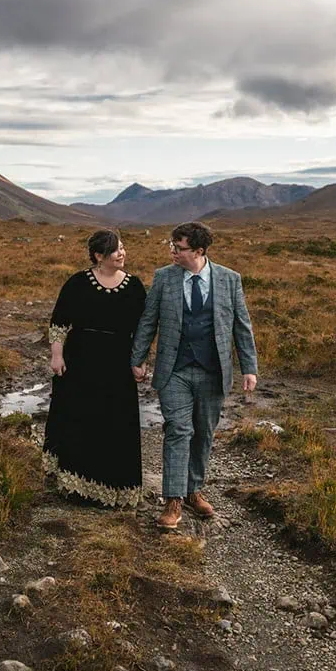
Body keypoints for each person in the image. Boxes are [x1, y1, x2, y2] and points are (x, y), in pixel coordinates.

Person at [130, 221, 257, 531]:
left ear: (199, 251)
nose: (173, 251)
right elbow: (148, 321)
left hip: (214, 371)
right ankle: (173, 499)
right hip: (174, 369)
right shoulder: (164, 278)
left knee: (203, 433)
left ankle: (193, 491)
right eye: (172, 246)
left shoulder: (229, 279)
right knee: (178, 429)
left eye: (180, 247)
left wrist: (249, 367)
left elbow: (242, 325)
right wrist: (138, 358)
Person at [43, 229, 146, 508]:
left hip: (117, 365)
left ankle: (114, 489)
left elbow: (142, 330)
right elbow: (59, 323)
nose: (122, 253)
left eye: (123, 247)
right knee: (80, 419)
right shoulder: (77, 283)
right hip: (80, 362)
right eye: (116, 250)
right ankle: (76, 485)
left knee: (115, 421)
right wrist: (57, 355)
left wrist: (140, 360)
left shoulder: (135, 287)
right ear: (99, 256)